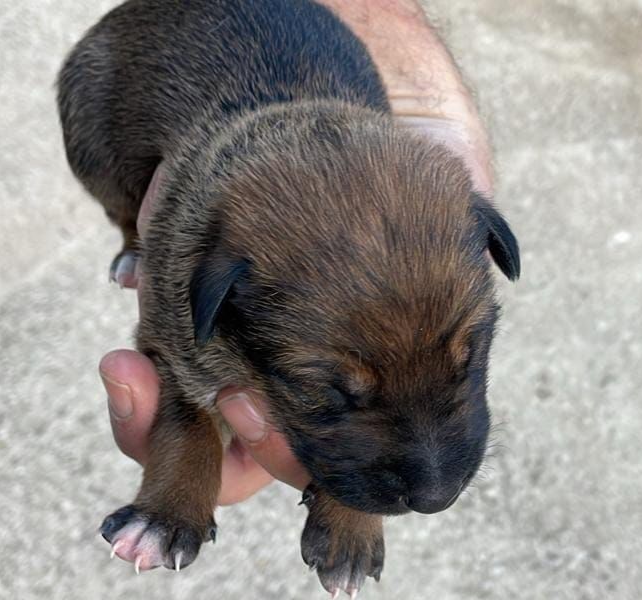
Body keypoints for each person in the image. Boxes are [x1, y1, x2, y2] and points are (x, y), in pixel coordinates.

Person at [98, 0, 495, 506]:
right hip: (128, 69)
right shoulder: (220, 259)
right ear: (219, 293)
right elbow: (181, 363)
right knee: (104, 147)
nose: (436, 487)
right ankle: (128, 227)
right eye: (336, 391)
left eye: (469, 358)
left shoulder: (447, 208)